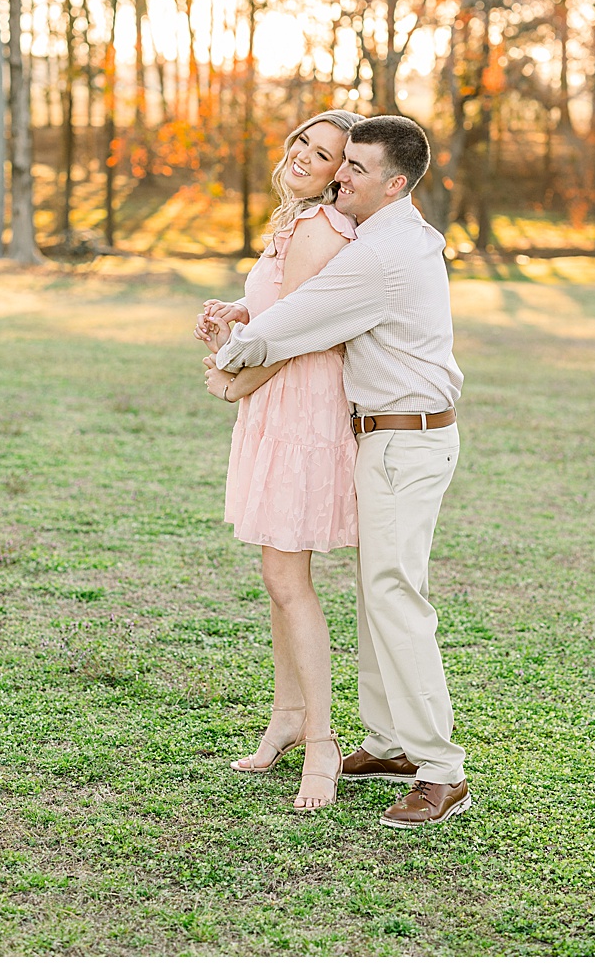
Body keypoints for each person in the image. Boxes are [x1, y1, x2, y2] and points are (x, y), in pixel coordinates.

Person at [206, 113, 472, 830]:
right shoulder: (393, 232)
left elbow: (296, 321)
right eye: (341, 160)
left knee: (395, 597)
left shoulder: (380, 253)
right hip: (389, 438)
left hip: (406, 441)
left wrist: (230, 366)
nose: (341, 176)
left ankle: (441, 770)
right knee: (377, 593)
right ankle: (388, 745)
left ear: (394, 184)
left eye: (355, 166)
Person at [196, 107, 363, 813]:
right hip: (283, 401)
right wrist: (240, 311)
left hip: (300, 406)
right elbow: (279, 308)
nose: (303, 155)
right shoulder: (298, 222)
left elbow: (297, 334)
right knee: (278, 576)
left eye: (323, 154)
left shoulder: (320, 226)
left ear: (339, 176)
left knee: (287, 578)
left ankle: (322, 743)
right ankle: (288, 717)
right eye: (303, 141)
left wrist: (236, 384)